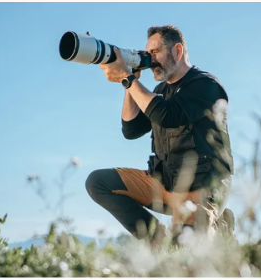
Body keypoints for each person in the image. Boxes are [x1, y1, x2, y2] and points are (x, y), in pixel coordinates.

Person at [85, 25, 235, 244]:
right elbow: (131, 130)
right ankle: (158, 241)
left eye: (155, 52)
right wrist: (130, 81)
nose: (150, 59)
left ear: (177, 51)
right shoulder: (159, 92)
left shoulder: (205, 85)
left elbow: (168, 115)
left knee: (185, 252)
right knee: (98, 182)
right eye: (148, 53)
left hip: (204, 188)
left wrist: (127, 77)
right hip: (166, 185)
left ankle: (217, 227)